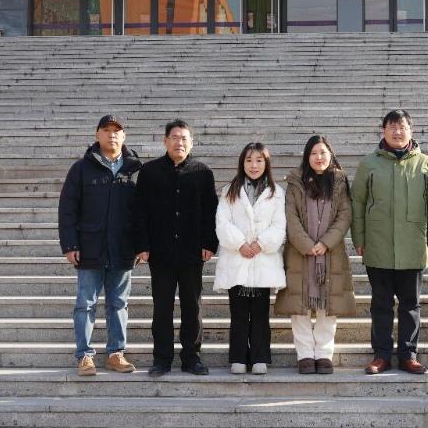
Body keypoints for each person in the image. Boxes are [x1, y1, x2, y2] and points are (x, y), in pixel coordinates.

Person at [351, 109, 428, 375]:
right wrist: (359, 238)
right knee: (381, 304)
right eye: (392, 127)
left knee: (411, 305)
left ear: (411, 130)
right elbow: (357, 203)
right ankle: (381, 355)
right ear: (383, 131)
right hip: (378, 245)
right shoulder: (369, 164)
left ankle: (409, 355)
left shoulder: (425, 163)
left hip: (413, 245)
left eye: (402, 127)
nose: (397, 132)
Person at [58, 114, 142, 377]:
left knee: (119, 303)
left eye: (117, 130)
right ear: (97, 135)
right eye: (106, 130)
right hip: (89, 247)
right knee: (85, 303)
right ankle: (84, 356)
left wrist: (141, 244)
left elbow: (144, 212)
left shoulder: (135, 170)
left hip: (123, 248)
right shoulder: (81, 169)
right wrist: (70, 244)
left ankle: (116, 353)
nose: (111, 134)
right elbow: (68, 209)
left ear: (124, 136)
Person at [132, 119, 218, 377]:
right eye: (175, 137)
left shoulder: (203, 172)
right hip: (161, 252)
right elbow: (139, 211)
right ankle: (162, 359)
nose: (179, 142)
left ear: (191, 143)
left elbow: (211, 211)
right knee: (162, 307)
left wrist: (209, 243)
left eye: (184, 138)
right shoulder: (149, 172)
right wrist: (142, 245)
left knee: (193, 306)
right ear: (165, 141)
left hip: (192, 252)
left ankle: (192, 357)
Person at [275, 135, 356, 375]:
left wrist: (325, 243)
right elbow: (290, 216)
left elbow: (345, 215)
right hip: (299, 254)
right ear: (306, 157)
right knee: (299, 308)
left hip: (330, 254)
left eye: (322, 152)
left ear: (330, 154)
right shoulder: (295, 183)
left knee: (326, 307)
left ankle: (323, 354)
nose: (318, 157)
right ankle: (305, 355)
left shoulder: (340, 182)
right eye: (313, 153)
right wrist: (307, 244)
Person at [213, 142, 286, 375]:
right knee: (238, 313)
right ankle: (238, 357)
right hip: (237, 259)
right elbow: (222, 222)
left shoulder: (276, 193)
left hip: (262, 260)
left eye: (259, 161)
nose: (254, 165)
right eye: (249, 160)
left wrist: (261, 243)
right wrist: (240, 244)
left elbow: (279, 225)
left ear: (266, 163)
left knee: (261, 313)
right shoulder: (229, 191)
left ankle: (259, 357)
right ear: (242, 163)